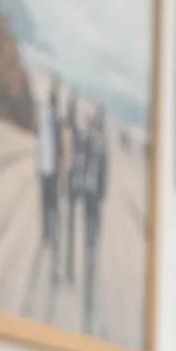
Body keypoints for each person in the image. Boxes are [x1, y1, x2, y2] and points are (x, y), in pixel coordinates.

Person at [82, 106, 109, 329]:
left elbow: (105, 173)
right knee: (88, 221)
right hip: (88, 191)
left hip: (95, 193)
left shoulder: (102, 148)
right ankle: (89, 242)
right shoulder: (90, 142)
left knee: (94, 223)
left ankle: (92, 243)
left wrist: (102, 193)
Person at [36, 80, 61, 261]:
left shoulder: (52, 122)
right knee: (48, 203)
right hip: (47, 168)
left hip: (50, 169)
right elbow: (41, 145)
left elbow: (48, 146)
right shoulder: (47, 121)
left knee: (50, 203)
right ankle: (48, 233)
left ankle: (50, 232)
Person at [64, 95, 87, 284]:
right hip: (69, 186)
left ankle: (70, 268)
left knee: (71, 229)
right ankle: (67, 267)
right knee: (67, 229)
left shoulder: (81, 138)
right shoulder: (71, 133)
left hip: (75, 189)